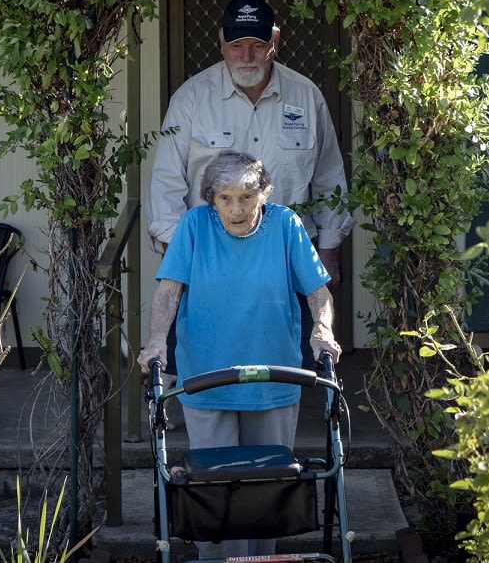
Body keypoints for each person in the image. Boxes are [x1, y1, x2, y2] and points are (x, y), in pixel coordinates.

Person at [137, 150, 342, 560]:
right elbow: (169, 291)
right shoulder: (195, 225)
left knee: (269, 485)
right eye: (225, 198)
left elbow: (318, 292)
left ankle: (263, 560)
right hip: (207, 379)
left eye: (246, 197)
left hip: (274, 376)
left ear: (264, 193)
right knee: (215, 487)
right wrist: (157, 340)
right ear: (210, 198)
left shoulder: (286, 224)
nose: (236, 208)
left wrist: (322, 330)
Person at [145, 0, 353, 287]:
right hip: (211, 259)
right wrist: (180, 269)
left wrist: (329, 255)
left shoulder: (306, 96)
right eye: (236, 46)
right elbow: (166, 186)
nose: (246, 57)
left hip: (291, 261)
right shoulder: (190, 99)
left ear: (275, 41)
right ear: (221, 43)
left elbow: (328, 180)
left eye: (257, 45)